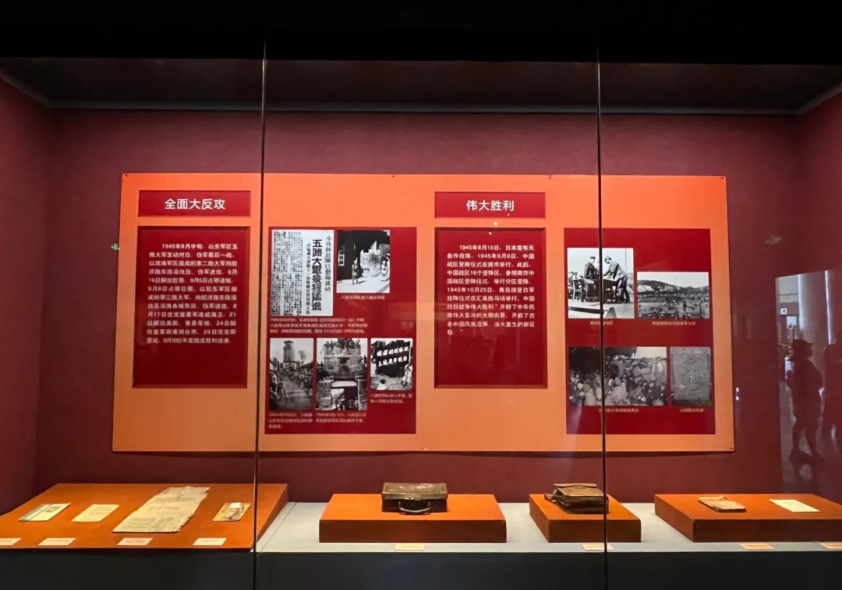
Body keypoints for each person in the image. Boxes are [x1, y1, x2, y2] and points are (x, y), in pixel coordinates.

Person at [786, 338, 823, 468]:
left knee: (801, 425)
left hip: (803, 402)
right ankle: (812, 452)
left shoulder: (800, 365)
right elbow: (811, 383)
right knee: (809, 427)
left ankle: (796, 450)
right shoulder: (803, 366)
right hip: (807, 402)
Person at [823, 330, 842, 454]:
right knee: (831, 415)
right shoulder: (831, 349)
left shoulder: (830, 349)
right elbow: (830, 367)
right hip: (835, 387)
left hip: (835, 387)